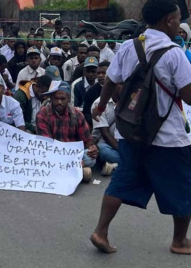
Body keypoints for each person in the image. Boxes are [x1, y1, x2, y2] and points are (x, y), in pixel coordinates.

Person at [90, 0, 191, 255]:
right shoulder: (174, 53)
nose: (180, 24)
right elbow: (189, 96)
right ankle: (179, 241)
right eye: (178, 19)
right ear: (168, 20)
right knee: (182, 186)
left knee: (123, 180)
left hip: (131, 130)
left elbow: (111, 81)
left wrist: (101, 107)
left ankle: (100, 231)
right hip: (167, 136)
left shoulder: (128, 47)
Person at [36, 81, 98, 181]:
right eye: (56, 99)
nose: (59, 102)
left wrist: (92, 148)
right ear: (51, 98)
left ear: (68, 99)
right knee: (40, 159)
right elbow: (46, 144)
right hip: (52, 154)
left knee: (90, 158)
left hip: (73, 155)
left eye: (62, 99)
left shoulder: (77, 114)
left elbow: (87, 140)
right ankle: (76, 170)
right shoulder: (42, 114)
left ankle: (67, 170)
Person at [91, 84, 121, 176]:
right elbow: (105, 134)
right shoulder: (99, 103)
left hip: (124, 141)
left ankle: (116, 165)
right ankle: (132, 163)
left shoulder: (131, 100)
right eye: (121, 84)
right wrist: (123, 151)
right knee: (104, 152)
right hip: (106, 142)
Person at [82, 61, 110, 128]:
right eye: (98, 73)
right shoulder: (91, 91)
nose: (100, 76)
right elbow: (86, 112)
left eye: (103, 73)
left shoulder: (119, 88)